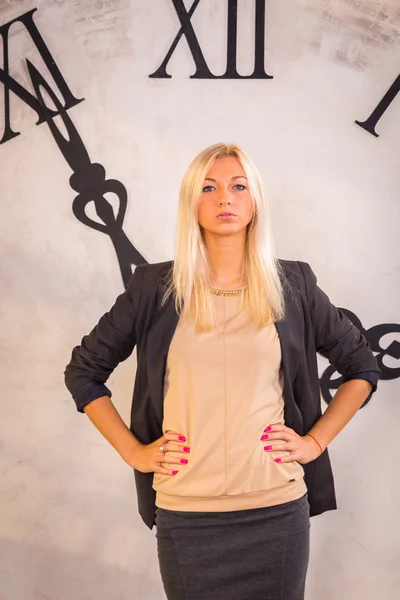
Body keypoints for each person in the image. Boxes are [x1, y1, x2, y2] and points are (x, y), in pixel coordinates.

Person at [64, 143, 380, 600]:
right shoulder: (153, 288)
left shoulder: (294, 284)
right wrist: (133, 452)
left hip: (276, 511)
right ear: (192, 202)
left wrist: (315, 442)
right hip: (187, 515)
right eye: (208, 187)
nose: (224, 198)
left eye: (238, 186)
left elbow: (361, 369)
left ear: (255, 202)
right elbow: (84, 372)